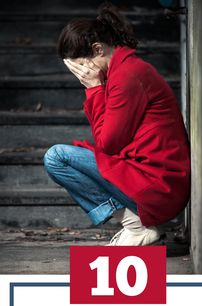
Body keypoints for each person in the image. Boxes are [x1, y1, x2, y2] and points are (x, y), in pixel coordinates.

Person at [43, 2, 190, 246]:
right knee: (65, 157)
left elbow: (108, 143)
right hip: (152, 179)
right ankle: (137, 223)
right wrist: (96, 88)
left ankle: (136, 225)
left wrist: (93, 88)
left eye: (80, 65)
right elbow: (109, 140)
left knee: (57, 157)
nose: (80, 74)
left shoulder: (127, 76)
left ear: (98, 49)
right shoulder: (120, 72)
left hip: (160, 186)